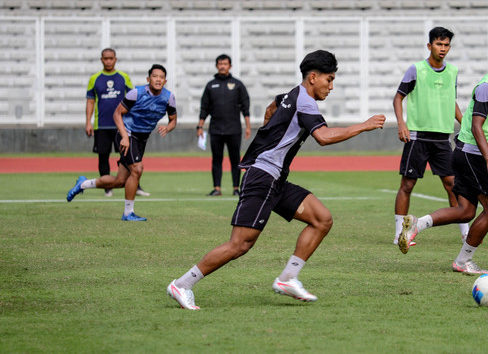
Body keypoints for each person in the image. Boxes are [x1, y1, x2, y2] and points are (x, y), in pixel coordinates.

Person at [167, 50, 386, 309]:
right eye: (329, 80)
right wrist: (364, 125)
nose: (331, 86)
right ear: (313, 77)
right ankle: (182, 284)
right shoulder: (304, 101)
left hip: (275, 179)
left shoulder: (291, 95)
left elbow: (272, 107)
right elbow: (324, 137)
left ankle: (288, 278)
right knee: (240, 244)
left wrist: (270, 131)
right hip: (263, 178)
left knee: (321, 219)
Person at [398, 34, 488, 275]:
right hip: (472, 154)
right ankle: (463, 261)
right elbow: (477, 126)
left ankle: (418, 223)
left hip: (468, 154)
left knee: (466, 211)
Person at [67, 64, 177, 221]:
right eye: (155, 76)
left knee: (120, 181)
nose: (158, 79)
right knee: (137, 169)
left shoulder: (169, 97)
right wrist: (124, 136)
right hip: (127, 134)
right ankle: (128, 213)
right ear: (148, 79)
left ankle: (83, 184)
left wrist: (168, 128)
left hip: (142, 138)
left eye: (161, 77)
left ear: (165, 81)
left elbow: (173, 120)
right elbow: (117, 114)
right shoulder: (136, 93)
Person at [393, 27, 469, 246]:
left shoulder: (453, 71)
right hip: (417, 137)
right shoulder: (416, 70)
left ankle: (465, 233)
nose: (442, 48)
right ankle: (400, 234)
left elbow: (450, 100)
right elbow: (398, 98)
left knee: (453, 184)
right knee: (407, 185)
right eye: (438, 44)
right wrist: (402, 124)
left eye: (446, 45)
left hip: (443, 138)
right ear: (430, 46)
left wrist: (463, 123)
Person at [85, 48, 150, 198]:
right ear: (101, 59)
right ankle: (108, 188)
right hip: (102, 124)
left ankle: (136, 186)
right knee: (103, 156)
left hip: (123, 125)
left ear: (116, 59)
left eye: (111, 58)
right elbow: (90, 101)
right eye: (105, 58)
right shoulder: (94, 78)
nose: (108, 61)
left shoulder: (123, 77)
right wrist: (88, 122)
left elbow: (133, 99)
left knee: (130, 156)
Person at [197, 54, 251, 197]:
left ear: (230, 66)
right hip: (215, 129)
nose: (222, 66)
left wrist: (248, 126)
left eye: (225, 64)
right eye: (220, 64)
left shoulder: (238, 84)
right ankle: (217, 188)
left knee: (235, 160)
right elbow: (204, 108)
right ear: (216, 66)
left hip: (234, 129)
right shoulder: (210, 85)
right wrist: (200, 126)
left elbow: (245, 106)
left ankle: (236, 188)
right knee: (216, 159)